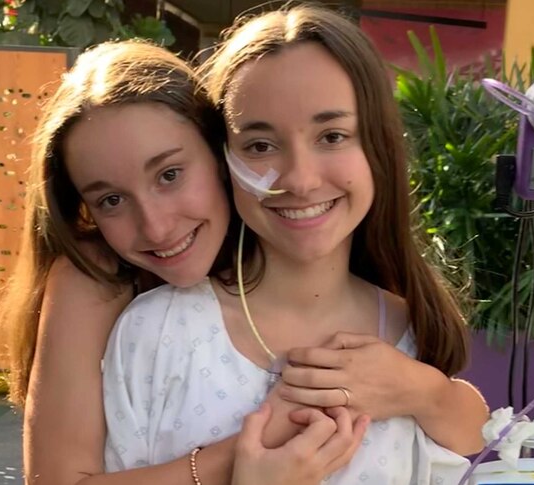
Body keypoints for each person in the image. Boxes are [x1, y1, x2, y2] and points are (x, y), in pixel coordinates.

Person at [102, 4, 488, 484]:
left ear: (378, 147)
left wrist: (428, 393)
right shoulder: (159, 332)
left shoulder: (411, 330)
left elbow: (476, 436)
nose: (301, 180)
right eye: (260, 146)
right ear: (224, 160)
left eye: (332, 136)